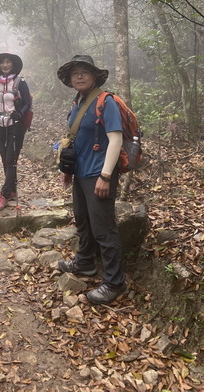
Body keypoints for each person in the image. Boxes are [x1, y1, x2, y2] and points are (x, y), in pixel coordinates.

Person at [56, 54, 127, 305]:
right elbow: (76, 138)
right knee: (83, 221)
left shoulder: (105, 101)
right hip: (81, 173)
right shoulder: (79, 101)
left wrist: (106, 176)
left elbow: (116, 140)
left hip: (99, 173)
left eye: (85, 71)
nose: (79, 76)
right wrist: (68, 169)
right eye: (75, 72)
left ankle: (114, 282)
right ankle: (85, 262)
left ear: (95, 75)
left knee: (104, 230)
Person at [0, 52, 32, 211]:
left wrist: (20, 113)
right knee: (3, 158)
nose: (5, 65)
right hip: (0, 125)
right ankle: (12, 189)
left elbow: (27, 102)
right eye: (2, 62)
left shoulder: (20, 82)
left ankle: (4, 195)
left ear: (13, 64)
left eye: (8, 62)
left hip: (16, 125)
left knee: (10, 160)